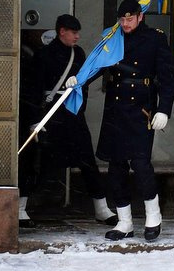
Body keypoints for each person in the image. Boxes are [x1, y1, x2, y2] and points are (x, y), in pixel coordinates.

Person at [93, 0, 174, 241]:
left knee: (140, 164)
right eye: (122, 19)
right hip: (116, 107)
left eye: (130, 19)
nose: (125, 24)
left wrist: (164, 110)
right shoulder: (113, 37)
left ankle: (153, 216)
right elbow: (97, 65)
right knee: (116, 167)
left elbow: (168, 77)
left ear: (141, 17)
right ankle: (124, 221)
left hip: (141, 108)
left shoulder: (155, 38)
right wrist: (78, 79)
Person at [28, 14, 116, 225]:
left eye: (78, 33)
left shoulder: (79, 54)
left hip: (73, 115)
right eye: (74, 32)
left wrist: (80, 102)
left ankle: (101, 208)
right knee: (40, 163)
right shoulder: (44, 55)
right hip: (51, 115)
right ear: (62, 32)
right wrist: (34, 120)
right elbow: (34, 89)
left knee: (87, 161)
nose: (77, 37)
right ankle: (22, 208)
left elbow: (83, 84)